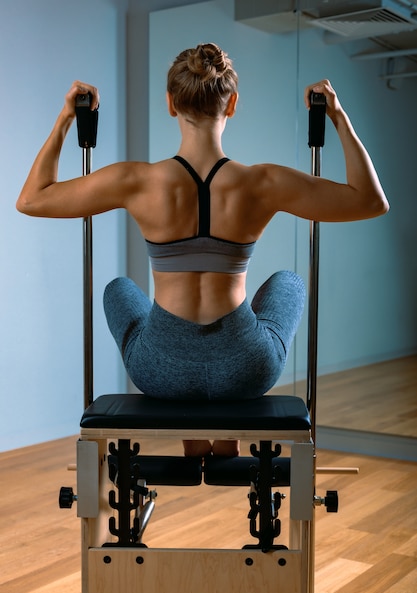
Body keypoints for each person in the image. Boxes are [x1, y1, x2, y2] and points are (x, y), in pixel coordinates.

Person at [17, 43, 389, 457]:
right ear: (231, 105)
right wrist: (337, 116)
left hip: (161, 372)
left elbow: (32, 199)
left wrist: (67, 118)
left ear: (171, 103)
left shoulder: (137, 181)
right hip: (246, 369)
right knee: (290, 283)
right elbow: (370, 200)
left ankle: (192, 428)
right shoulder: (262, 183)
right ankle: (222, 425)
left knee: (117, 289)